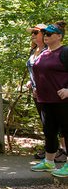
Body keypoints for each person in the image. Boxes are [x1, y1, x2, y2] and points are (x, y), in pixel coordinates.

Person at [31, 21, 68, 177]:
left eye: (49, 34)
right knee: (49, 131)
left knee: (66, 131)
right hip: (45, 100)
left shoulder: (65, 52)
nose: (45, 36)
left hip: (63, 101)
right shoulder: (44, 53)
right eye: (44, 34)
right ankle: (49, 161)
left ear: (59, 36)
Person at [26, 24, 48, 159]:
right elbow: (33, 70)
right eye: (32, 33)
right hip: (36, 93)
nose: (33, 35)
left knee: (54, 122)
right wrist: (31, 81)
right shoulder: (33, 50)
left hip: (49, 92)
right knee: (45, 122)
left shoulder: (49, 51)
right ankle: (50, 149)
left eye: (36, 32)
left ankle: (62, 151)